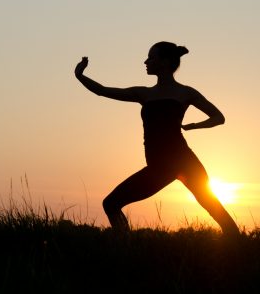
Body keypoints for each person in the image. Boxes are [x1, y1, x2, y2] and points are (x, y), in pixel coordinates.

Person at [74, 41, 240, 236]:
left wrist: (194, 126)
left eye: (151, 57)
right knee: (111, 204)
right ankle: (127, 247)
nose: (145, 61)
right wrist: (80, 76)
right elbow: (102, 90)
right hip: (158, 167)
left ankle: (239, 247)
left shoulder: (185, 92)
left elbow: (219, 117)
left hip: (184, 162)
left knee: (214, 209)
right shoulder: (144, 93)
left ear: (164, 62)